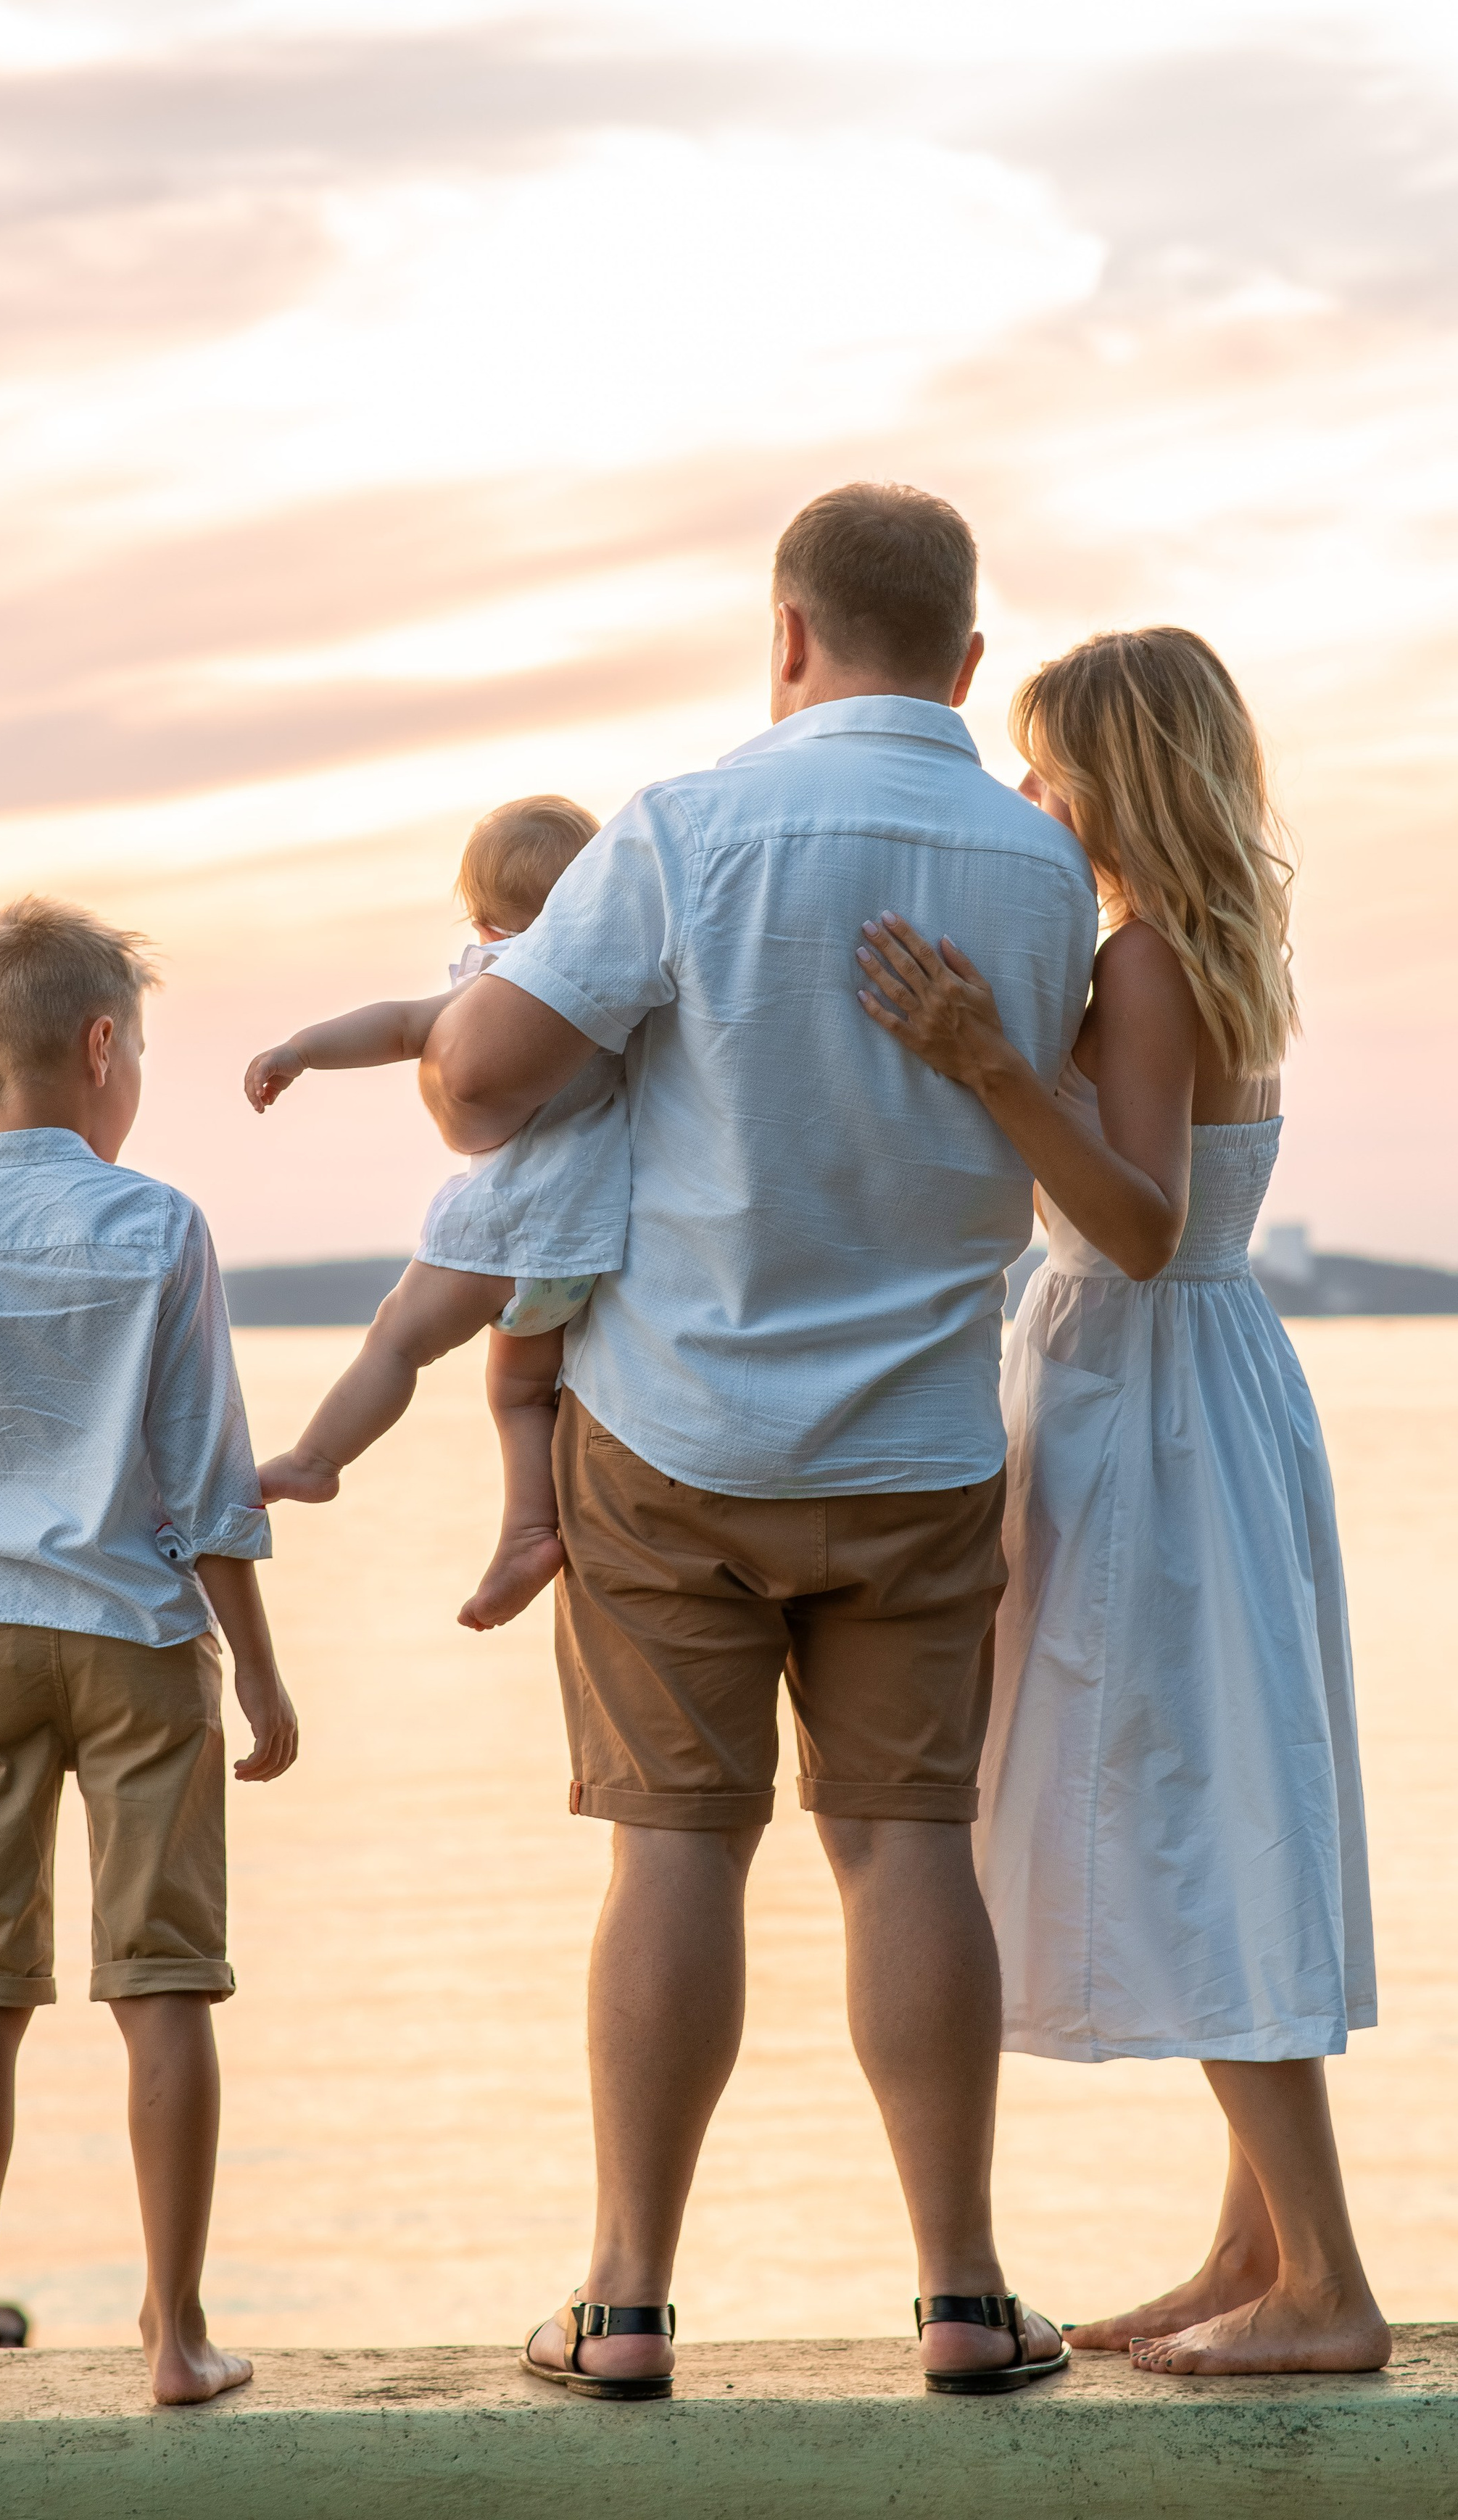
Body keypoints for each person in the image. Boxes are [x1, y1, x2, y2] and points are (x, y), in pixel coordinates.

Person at [418, 484, 1097, 2398]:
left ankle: (622, 2304)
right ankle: (965, 2293)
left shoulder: (686, 826)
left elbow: (475, 1088)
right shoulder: (1044, 871)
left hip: (675, 1435)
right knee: (905, 1850)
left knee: (675, 1858)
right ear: (968, 660)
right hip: (920, 1443)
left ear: (785, 631)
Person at [855, 627, 1388, 2378]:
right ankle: (1253, 2243)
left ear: (1110, 778)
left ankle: (1321, 2278)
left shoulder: (1144, 961)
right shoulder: (1198, 947)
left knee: (1187, 1804)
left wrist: (980, 1058)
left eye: (1043, 767)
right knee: (1209, 1788)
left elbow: (1143, 1219)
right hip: (1189, 1388)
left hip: (1149, 1389)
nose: (1023, 798)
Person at [0, 896, 298, 2409]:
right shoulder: (159, 1226)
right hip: (136, 1638)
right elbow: (208, 1481)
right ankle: (174, 2338)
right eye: (142, 1049)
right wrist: (263, 1667)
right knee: (161, 1982)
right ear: (100, 1047)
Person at [244, 795, 628, 1631]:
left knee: (398, 1339)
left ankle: (317, 1458)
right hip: (585, 1250)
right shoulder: (618, 985)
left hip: (503, 1227)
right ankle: (531, 1528)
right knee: (521, 1394)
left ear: (485, 919)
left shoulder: (504, 981)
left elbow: (400, 1027)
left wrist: (302, 1048)